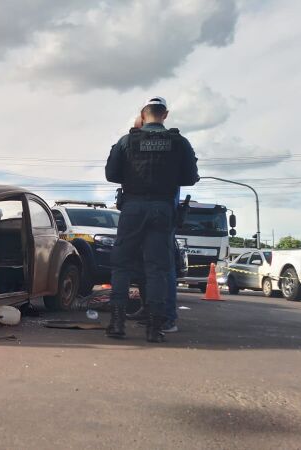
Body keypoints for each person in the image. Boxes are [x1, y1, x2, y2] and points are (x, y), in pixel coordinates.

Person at [104, 97, 199, 343]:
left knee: (122, 266)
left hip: (133, 207)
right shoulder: (179, 142)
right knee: (157, 267)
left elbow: (111, 174)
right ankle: (155, 329)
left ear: (142, 114)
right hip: (163, 208)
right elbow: (190, 178)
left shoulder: (127, 141)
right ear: (165, 115)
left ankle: (117, 323)